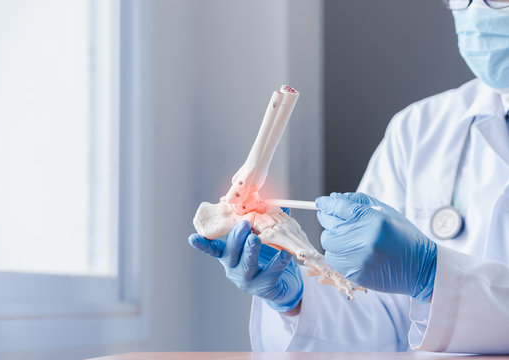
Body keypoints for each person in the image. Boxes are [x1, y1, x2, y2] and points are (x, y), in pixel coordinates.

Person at [188, 0, 509, 353]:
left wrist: (434, 275)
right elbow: (384, 319)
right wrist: (295, 300)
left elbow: (434, 292)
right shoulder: (421, 129)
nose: (474, 13)